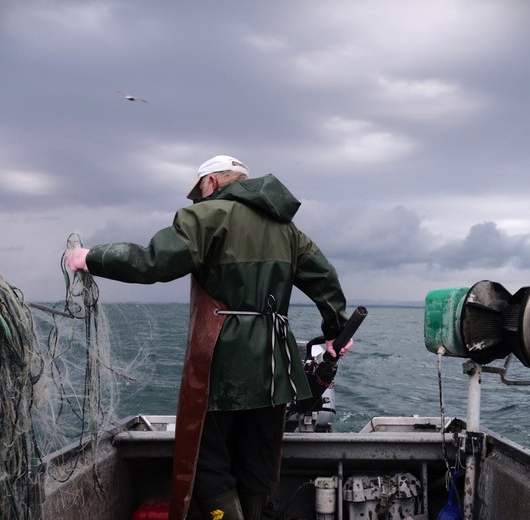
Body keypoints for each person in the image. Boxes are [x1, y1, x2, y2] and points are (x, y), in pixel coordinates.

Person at [65, 154, 352, 520]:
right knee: (256, 461)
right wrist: (334, 333)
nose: (199, 198)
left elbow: (153, 261)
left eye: (200, 190)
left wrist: (91, 258)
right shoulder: (288, 230)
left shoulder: (205, 217)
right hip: (276, 368)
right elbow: (325, 279)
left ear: (211, 183)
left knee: (208, 463)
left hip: (223, 362)